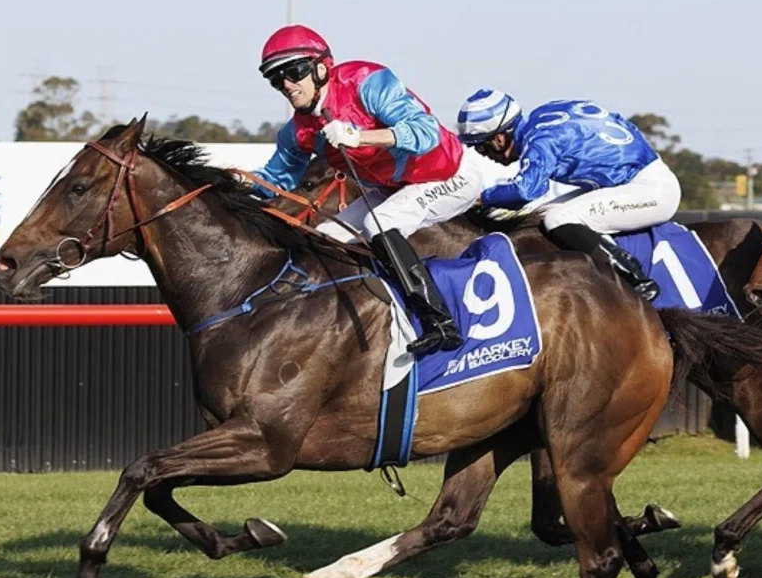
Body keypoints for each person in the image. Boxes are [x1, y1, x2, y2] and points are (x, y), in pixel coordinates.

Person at [252, 25, 484, 355]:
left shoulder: (367, 81)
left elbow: (426, 132)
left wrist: (359, 137)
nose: (287, 85)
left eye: (294, 71)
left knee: (380, 223)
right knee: (324, 239)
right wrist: (233, 181)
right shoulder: (299, 131)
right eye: (276, 79)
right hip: (393, 189)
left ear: (321, 68)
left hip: (448, 174)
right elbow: (275, 179)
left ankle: (440, 323)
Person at [457, 89, 686, 301]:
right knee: (543, 212)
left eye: (481, 147)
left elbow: (525, 191)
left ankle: (636, 281)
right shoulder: (543, 115)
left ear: (498, 139)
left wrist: (479, 198)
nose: (483, 155)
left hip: (651, 190)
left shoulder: (539, 140)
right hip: (633, 178)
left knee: (558, 219)